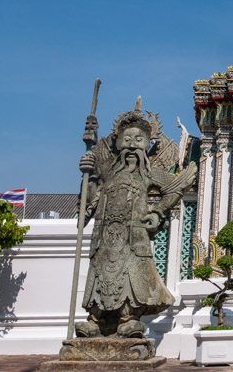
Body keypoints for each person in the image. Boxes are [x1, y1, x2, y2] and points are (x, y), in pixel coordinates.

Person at [75, 108, 197, 338]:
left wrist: (158, 212)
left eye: (138, 140)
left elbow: (176, 186)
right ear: (118, 142)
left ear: (147, 144)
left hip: (134, 236)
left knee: (132, 278)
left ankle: (128, 318)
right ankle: (94, 319)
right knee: (100, 276)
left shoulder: (150, 174)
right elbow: (88, 204)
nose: (132, 145)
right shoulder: (107, 172)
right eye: (127, 140)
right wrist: (88, 174)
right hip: (105, 234)